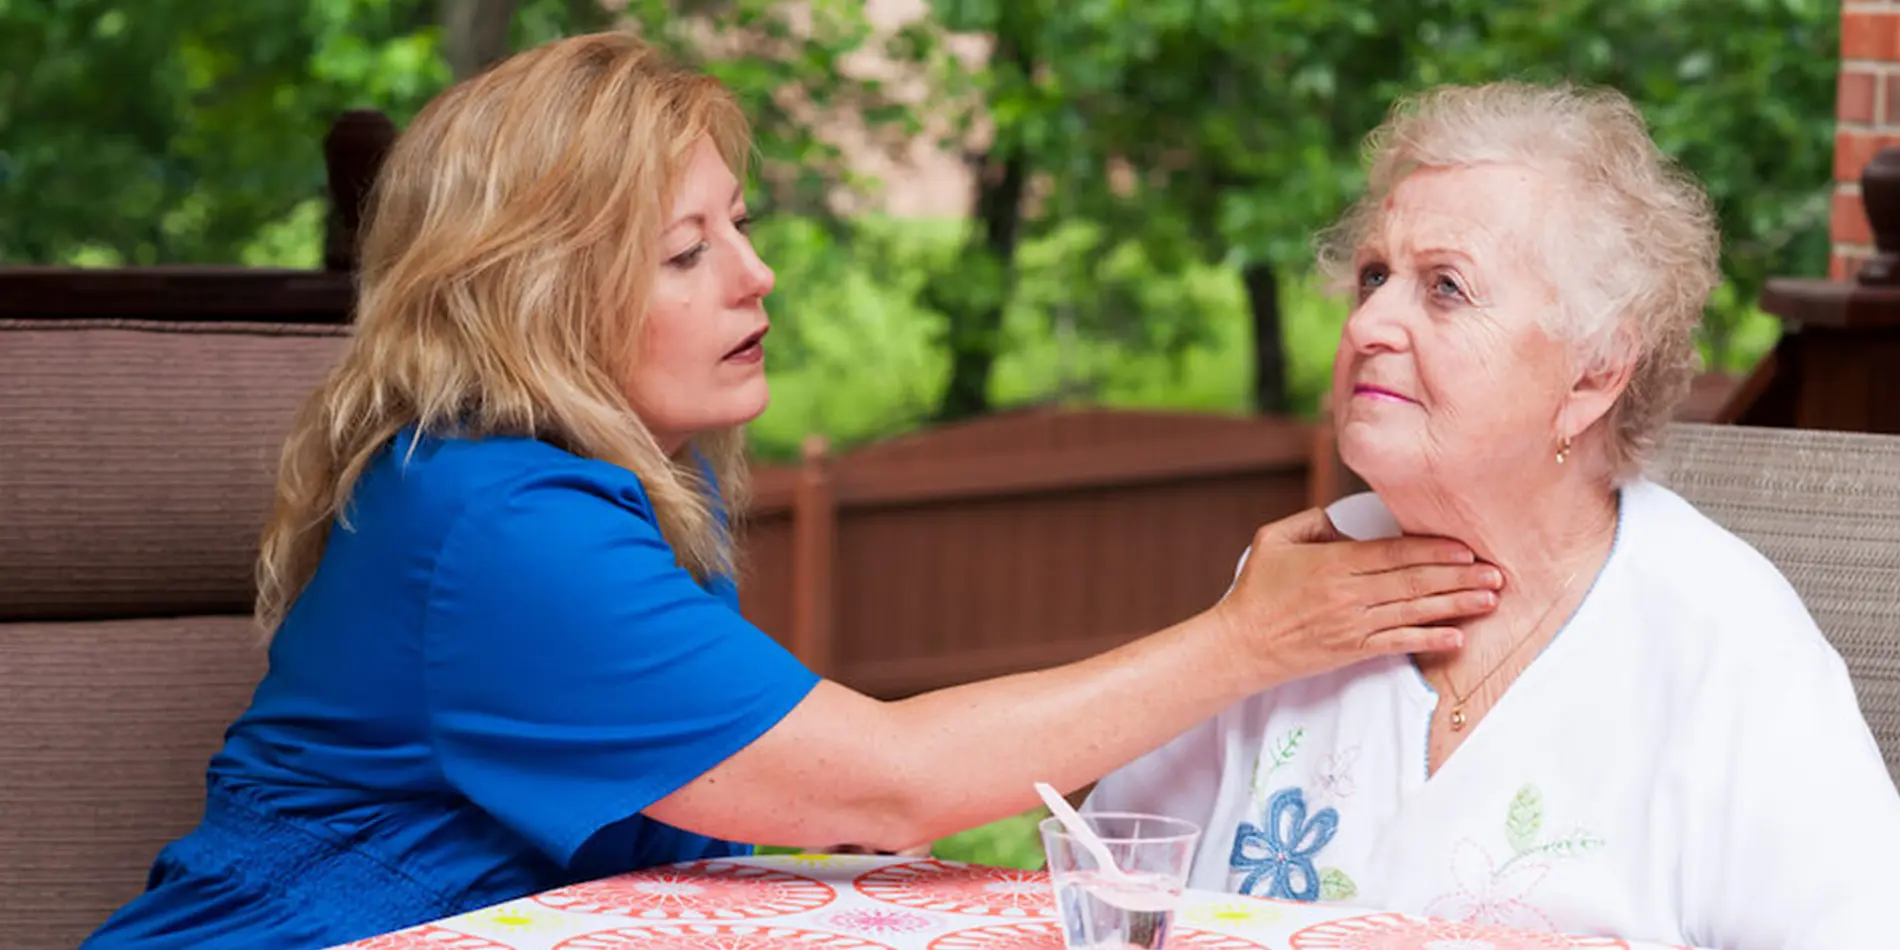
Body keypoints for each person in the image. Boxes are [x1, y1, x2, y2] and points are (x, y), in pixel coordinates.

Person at [77, 33, 1506, 950]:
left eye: (740, 227)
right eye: (685, 251)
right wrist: (1250, 637)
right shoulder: (499, 525)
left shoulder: (620, 480)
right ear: (539, 294)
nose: (757, 277)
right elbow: (883, 784)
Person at [1083, 80, 1900, 950]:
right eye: (1373, 277)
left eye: (1445, 287)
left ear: (1594, 372)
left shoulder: (1723, 642)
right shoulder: (1292, 586)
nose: (1368, 324)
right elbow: (1107, 878)